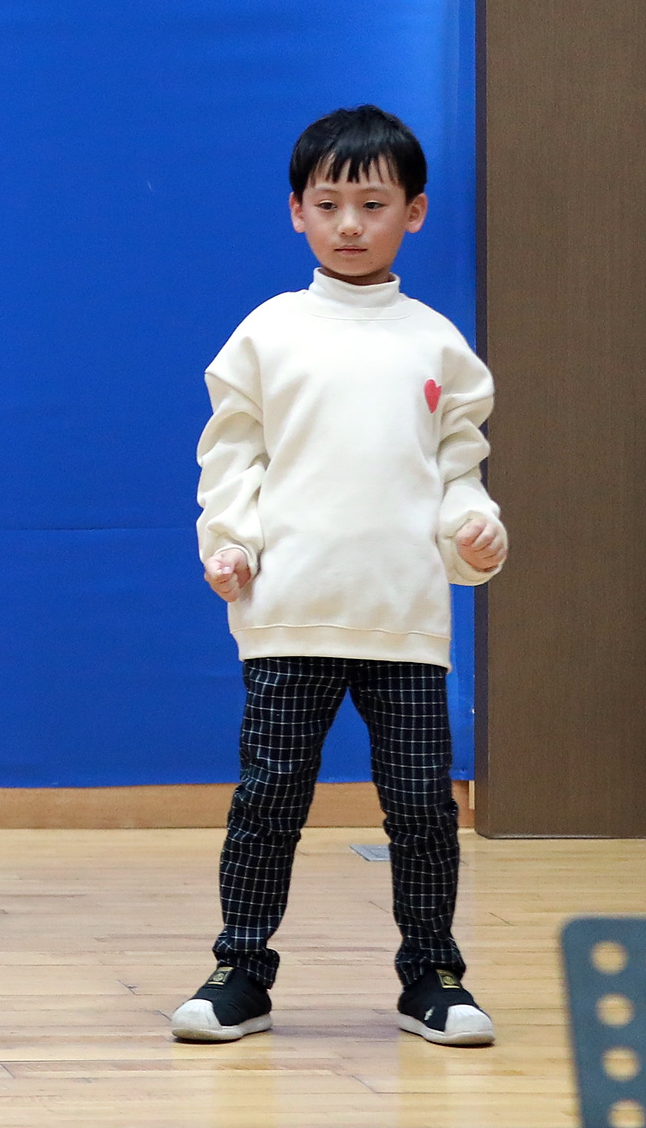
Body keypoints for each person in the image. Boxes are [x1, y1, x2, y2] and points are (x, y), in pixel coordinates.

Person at [169, 104, 505, 1050]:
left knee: (423, 811)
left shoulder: (438, 345)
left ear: (416, 212)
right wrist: (229, 541)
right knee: (268, 801)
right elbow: (231, 459)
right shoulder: (267, 334)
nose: (350, 224)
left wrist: (475, 534)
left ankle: (433, 974)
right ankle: (240, 969)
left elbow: (458, 473)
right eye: (328, 204)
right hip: (290, 615)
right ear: (297, 212)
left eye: (373, 203)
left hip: (405, 620)